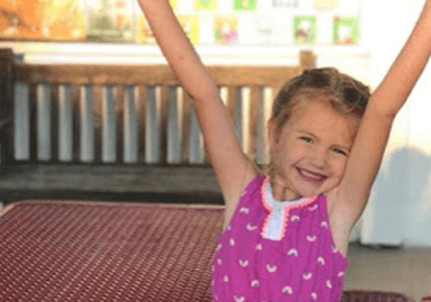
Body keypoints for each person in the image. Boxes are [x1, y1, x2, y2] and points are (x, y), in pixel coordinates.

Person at [137, 0, 431, 301]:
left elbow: (382, 111)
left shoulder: (335, 211)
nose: (319, 160)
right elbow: (203, 94)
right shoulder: (242, 190)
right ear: (275, 133)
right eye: (307, 139)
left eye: (339, 151)